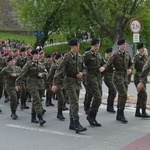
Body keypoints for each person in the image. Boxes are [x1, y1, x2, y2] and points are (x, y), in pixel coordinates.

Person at [51, 39, 87, 133]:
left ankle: (72, 123)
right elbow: (59, 71)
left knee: (74, 103)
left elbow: (84, 68)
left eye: (78, 45)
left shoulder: (79, 57)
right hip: (69, 82)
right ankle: (77, 123)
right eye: (76, 46)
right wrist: (54, 84)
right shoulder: (67, 57)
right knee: (74, 102)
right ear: (72, 47)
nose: (78, 47)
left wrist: (82, 73)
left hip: (77, 82)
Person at [100, 39, 132, 123]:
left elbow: (131, 64)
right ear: (119, 46)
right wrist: (104, 67)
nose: (124, 46)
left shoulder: (127, 55)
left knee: (122, 96)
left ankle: (120, 114)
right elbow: (108, 62)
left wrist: (130, 69)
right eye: (122, 44)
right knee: (123, 94)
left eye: (125, 44)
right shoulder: (115, 55)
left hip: (125, 77)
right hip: (117, 77)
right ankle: (120, 114)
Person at [16, 50, 47, 126]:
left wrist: (42, 74)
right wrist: (17, 83)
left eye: (38, 54)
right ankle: (40, 117)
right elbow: (22, 73)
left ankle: (33, 117)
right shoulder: (29, 64)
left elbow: (46, 72)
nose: (37, 55)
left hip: (40, 85)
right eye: (36, 54)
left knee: (36, 101)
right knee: (37, 100)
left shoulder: (41, 64)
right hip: (32, 84)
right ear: (32, 55)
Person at [83, 38, 103, 127]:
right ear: (92, 46)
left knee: (99, 97)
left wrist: (104, 67)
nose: (97, 47)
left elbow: (103, 63)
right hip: (90, 77)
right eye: (95, 46)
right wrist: (84, 74)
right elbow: (82, 65)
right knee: (97, 96)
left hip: (98, 77)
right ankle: (91, 115)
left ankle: (92, 116)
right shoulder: (87, 55)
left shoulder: (99, 55)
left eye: (98, 46)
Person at [47, 53, 65, 120]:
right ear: (56, 59)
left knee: (63, 98)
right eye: (60, 58)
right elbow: (50, 75)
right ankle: (59, 113)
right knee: (61, 98)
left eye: (61, 58)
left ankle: (60, 112)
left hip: (63, 83)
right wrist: (48, 84)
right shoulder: (54, 66)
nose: (61, 59)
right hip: (56, 84)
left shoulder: (63, 66)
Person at [134, 43, 150, 118]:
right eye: (141, 48)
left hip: (144, 78)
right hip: (138, 77)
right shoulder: (136, 58)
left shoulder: (146, 57)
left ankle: (137, 111)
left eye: (144, 47)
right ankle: (143, 111)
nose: (143, 49)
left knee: (140, 94)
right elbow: (132, 66)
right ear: (138, 49)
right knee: (144, 94)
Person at [103, 48, 117, 113]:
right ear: (108, 53)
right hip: (107, 77)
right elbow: (106, 67)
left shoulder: (113, 60)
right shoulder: (105, 60)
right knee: (114, 90)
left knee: (111, 91)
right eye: (111, 52)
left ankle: (110, 106)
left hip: (113, 77)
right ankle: (110, 105)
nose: (112, 53)